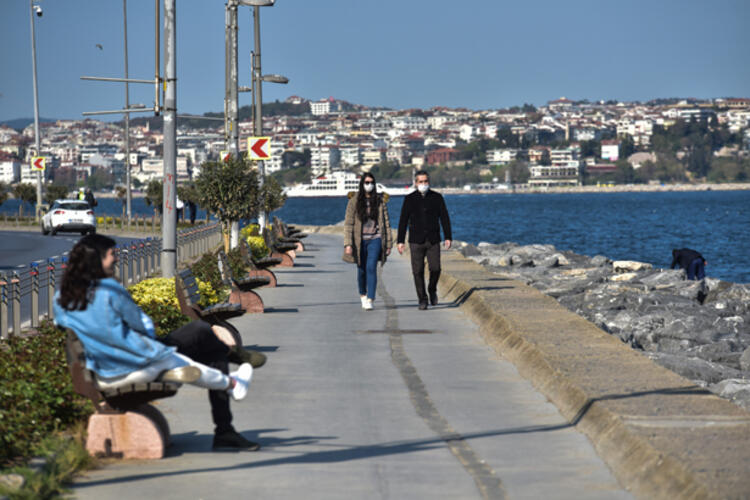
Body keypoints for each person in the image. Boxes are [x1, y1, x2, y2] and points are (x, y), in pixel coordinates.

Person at [53, 234, 263, 451]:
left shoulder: (61, 298)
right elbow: (144, 327)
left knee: (201, 336)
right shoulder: (110, 291)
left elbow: (63, 323)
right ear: (97, 260)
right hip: (135, 360)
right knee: (200, 344)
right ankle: (230, 385)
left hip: (102, 368)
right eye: (111, 254)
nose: (115, 259)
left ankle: (229, 370)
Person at [397, 170, 452, 310]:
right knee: (417, 271)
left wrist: (448, 237)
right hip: (416, 240)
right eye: (420, 181)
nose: (423, 184)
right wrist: (400, 241)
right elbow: (403, 220)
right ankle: (422, 299)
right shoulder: (409, 199)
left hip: (433, 239)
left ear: (429, 182)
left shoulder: (437, 197)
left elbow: (444, 217)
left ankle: (432, 289)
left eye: (425, 181)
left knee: (436, 268)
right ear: (416, 183)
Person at [344, 173, 393, 310]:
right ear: (362, 184)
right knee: (361, 270)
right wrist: (348, 244)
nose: (369, 185)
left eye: (371, 182)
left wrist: (388, 244)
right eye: (366, 182)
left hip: (375, 239)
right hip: (359, 241)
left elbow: (386, 223)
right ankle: (363, 294)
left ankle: (371, 298)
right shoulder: (353, 201)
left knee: (371, 267)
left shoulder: (379, 201)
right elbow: (348, 223)